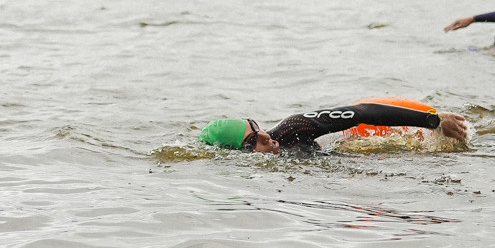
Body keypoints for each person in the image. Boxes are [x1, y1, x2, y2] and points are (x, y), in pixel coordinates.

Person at [200, 100, 471, 153]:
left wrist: (432, 121)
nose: (264, 136)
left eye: (255, 126)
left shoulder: (294, 128)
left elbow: (362, 112)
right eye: (251, 142)